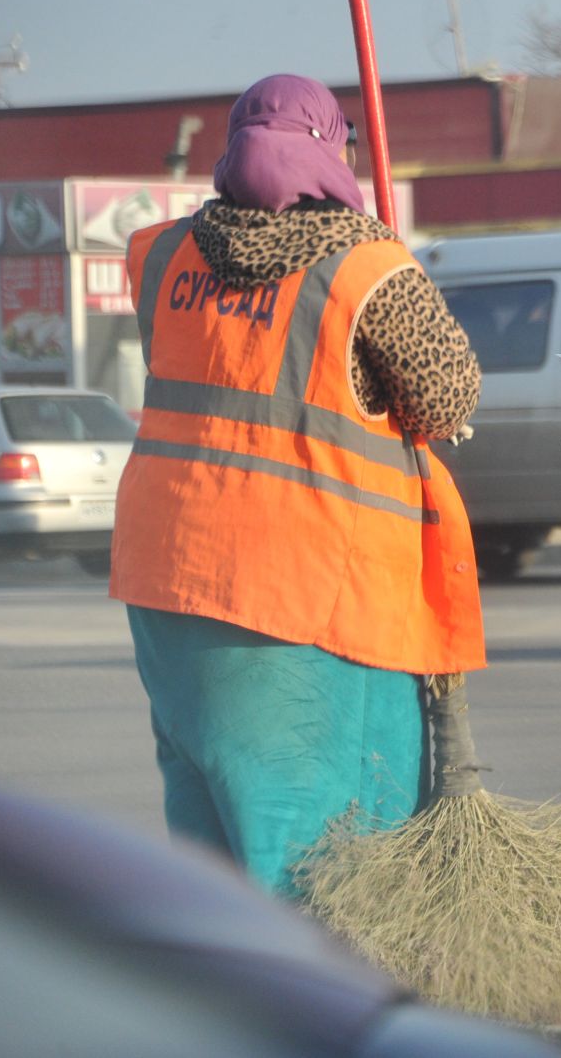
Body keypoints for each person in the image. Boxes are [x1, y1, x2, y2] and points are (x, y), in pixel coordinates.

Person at [109, 74, 487, 895]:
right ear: (331, 157)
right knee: (313, 849)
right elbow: (450, 395)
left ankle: (222, 999)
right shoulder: (366, 267)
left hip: (167, 581)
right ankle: (309, 1011)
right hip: (307, 598)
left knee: (209, 822)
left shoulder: (162, 254)